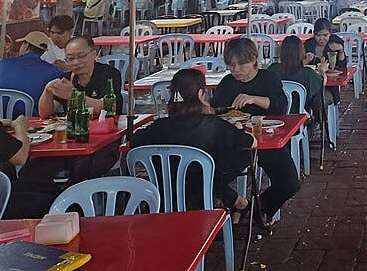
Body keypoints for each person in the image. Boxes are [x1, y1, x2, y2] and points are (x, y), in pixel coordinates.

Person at [130, 68, 254, 221]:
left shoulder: (157, 127)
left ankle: (234, 199)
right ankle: (233, 200)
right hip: (203, 193)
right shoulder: (213, 125)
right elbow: (250, 142)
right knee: (230, 158)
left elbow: (134, 143)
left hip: (164, 201)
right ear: (201, 94)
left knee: (187, 167)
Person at [211, 39, 299, 226]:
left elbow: (280, 106)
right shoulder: (227, 83)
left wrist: (253, 99)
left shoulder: (268, 78)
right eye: (231, 65)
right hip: (237, 144)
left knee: (290, 183)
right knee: (208, 177)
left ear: (254, 61)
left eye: (241, 64)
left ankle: (259, 208)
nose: (236, 70)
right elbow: (217, 110)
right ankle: (238, 204)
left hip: (267, 141)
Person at [38, 36, 124, 118]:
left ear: (94, 54)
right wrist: (47, 91)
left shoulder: (110, 74)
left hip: (106, 128)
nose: (76, 62)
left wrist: (73, 95)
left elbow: (110, 107)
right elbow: (45, 114)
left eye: (81, 56)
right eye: (71, 58)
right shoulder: (66, 79)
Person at [0, 31, 65, 113]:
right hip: (32, 123)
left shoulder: (4, 64)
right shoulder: (55, 72)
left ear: (26, 46)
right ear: (43, 51)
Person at [271, 35, 325, 117]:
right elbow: (322, 83)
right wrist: (322, 71)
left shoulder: (273, 69)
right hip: (300, 115)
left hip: (274, 115)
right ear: (301, 52)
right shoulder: (308, 73)